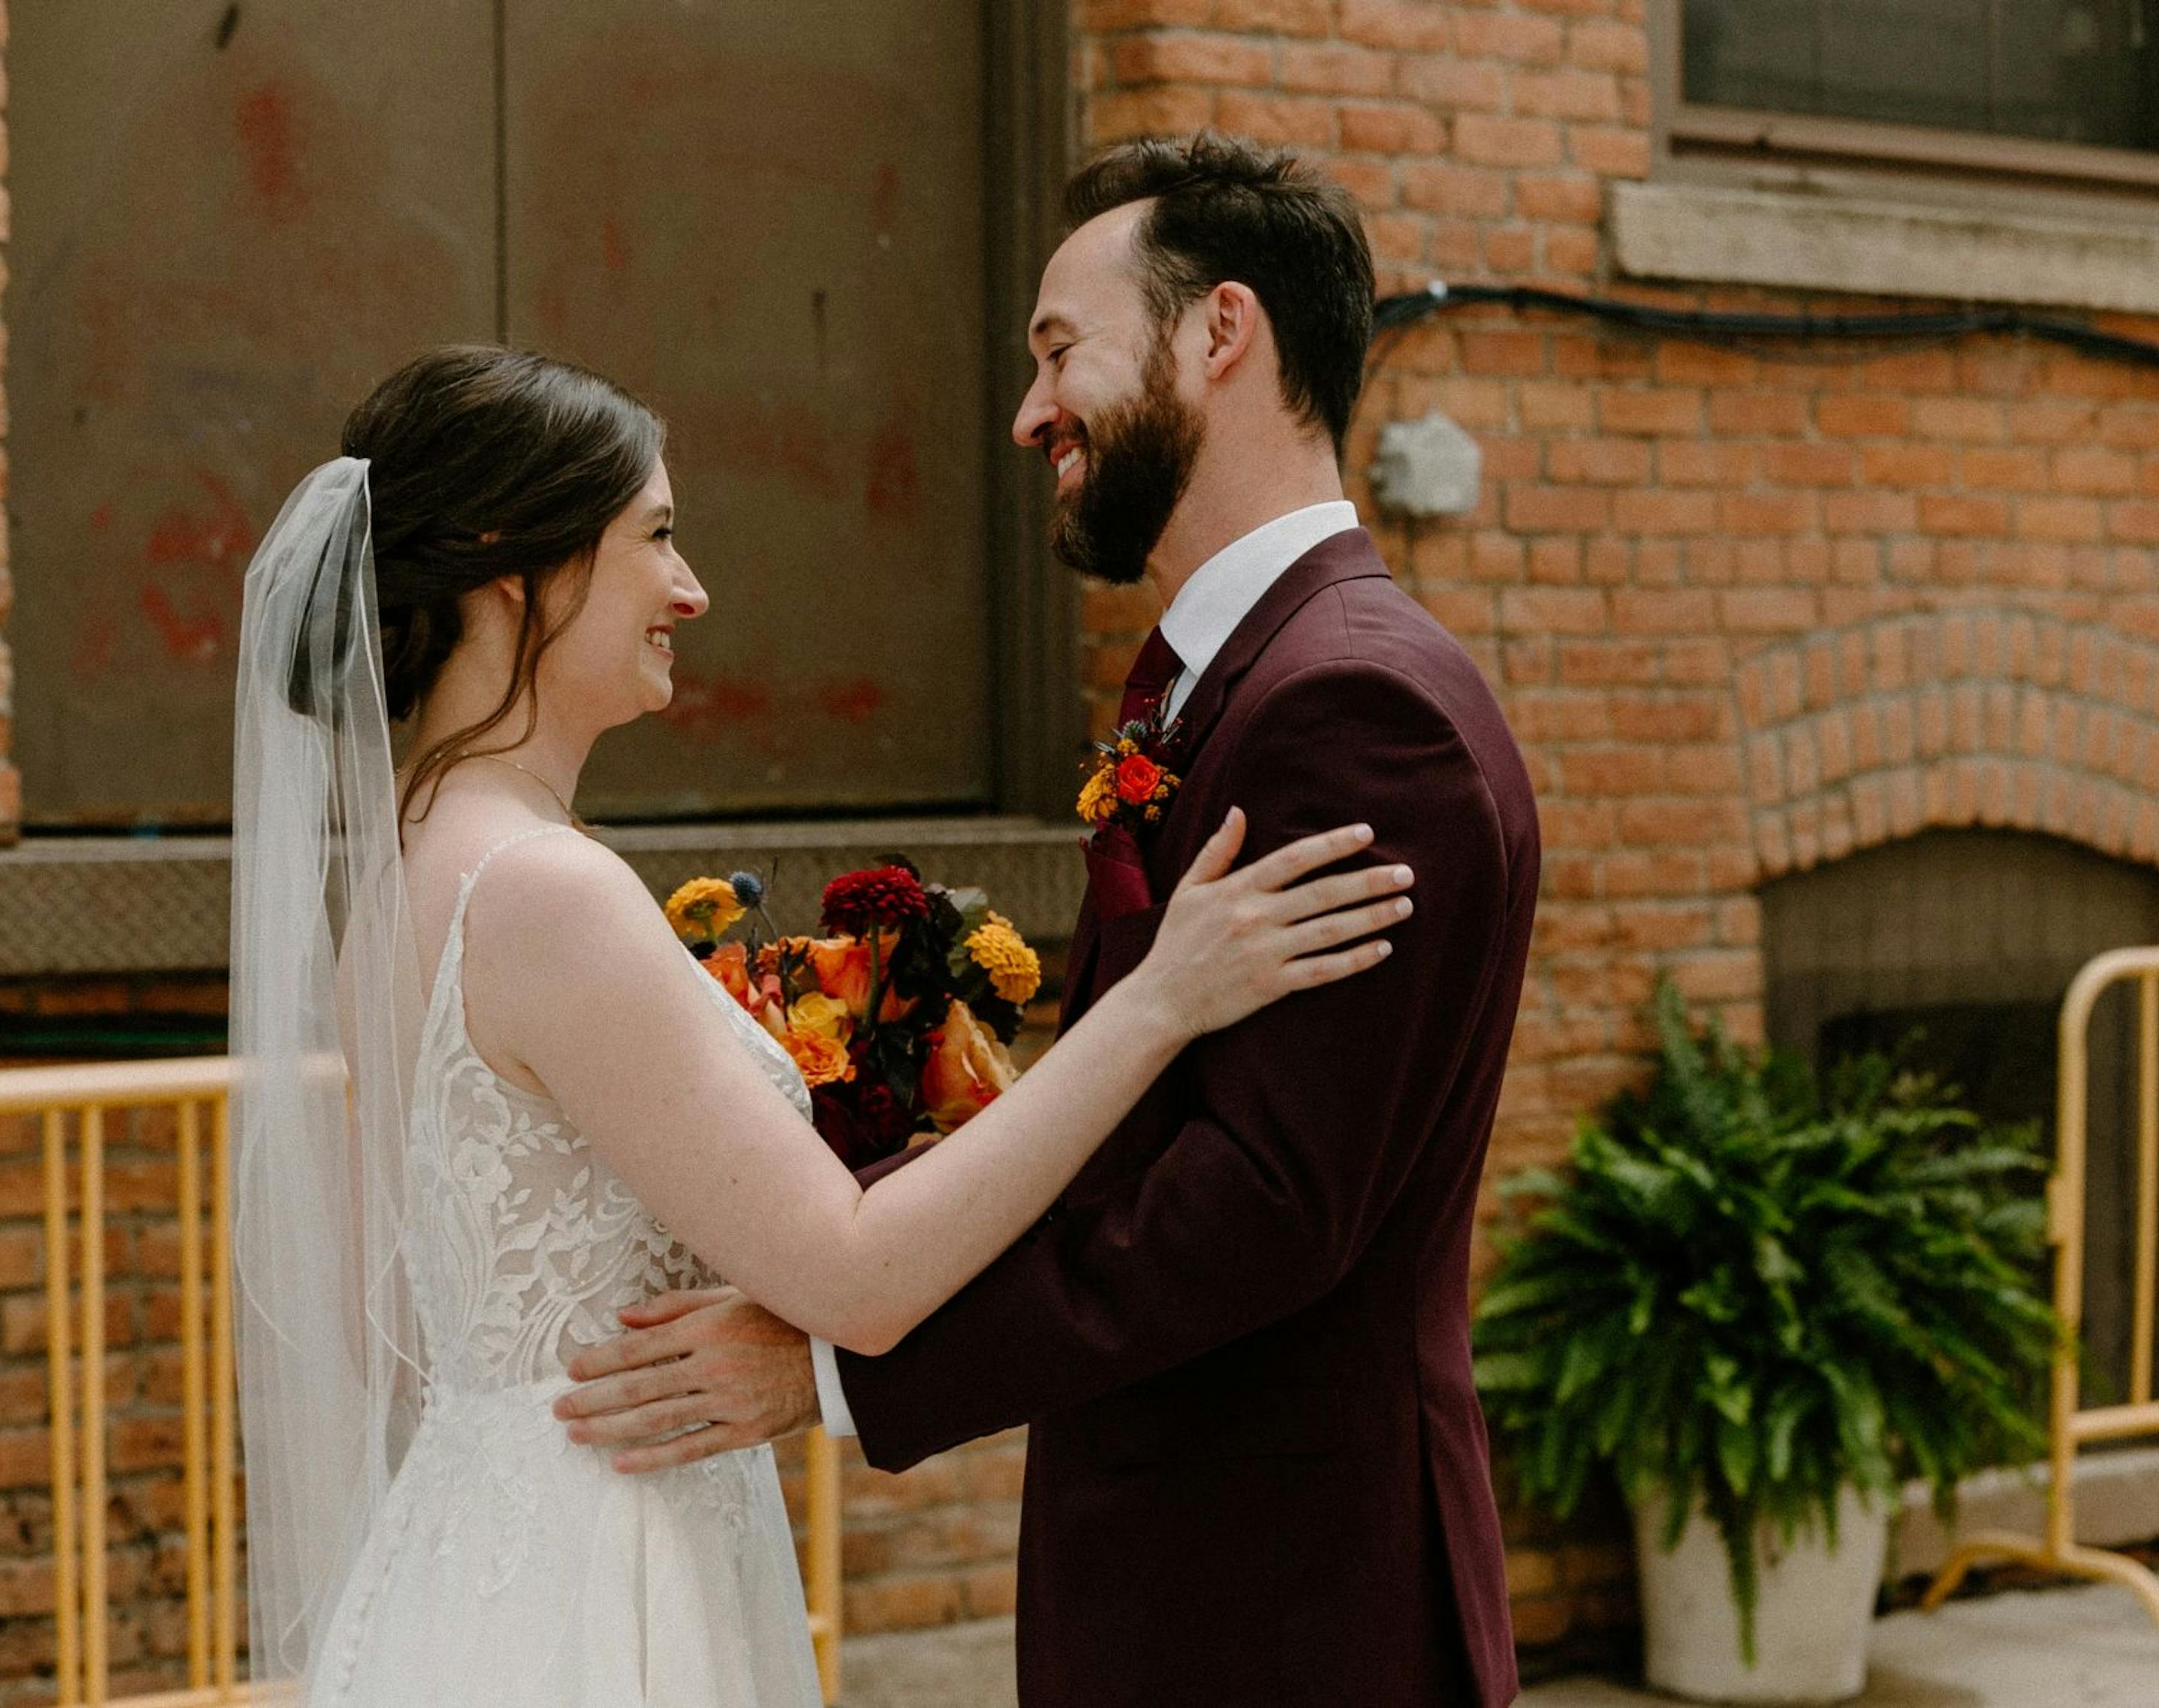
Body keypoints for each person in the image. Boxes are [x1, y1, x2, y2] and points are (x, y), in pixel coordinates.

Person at [227, 343, 1415, 1707]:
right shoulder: (543, 890)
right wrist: (1161, 1002)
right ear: (517, 568)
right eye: (655, 538)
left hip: (488, 1524)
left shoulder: (409, 870)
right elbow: (855, 1276)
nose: (692, 589)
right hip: (597, 1567)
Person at [563, 133, 1541, 1707]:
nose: (1029, 416)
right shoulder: (1229, 678)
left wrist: (832, 1369)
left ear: (1219, 332)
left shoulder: (1358, 706)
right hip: (1192, 1571)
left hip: (1291, 1603)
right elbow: (1135, 1123)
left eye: (1056, 351)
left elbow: (1261, 1202)